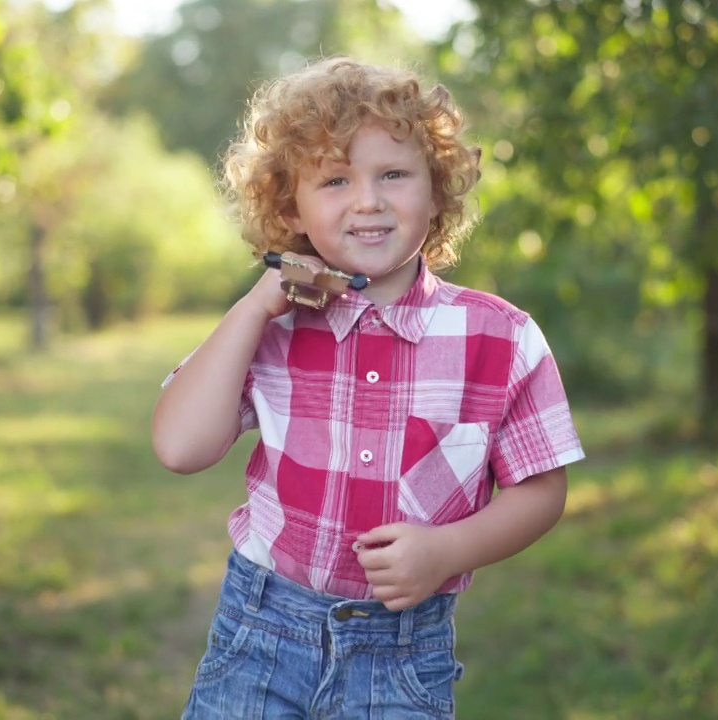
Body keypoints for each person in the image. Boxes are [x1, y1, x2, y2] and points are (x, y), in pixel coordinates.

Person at [152, 56, 585, 719]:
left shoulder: (500, 337)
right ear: (289, 204)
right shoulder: (272, 326)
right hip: (261, 634)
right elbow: (181, 447)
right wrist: (252, 308)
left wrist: (449, 550)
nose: (368, 201)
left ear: (436, 190)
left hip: (402, 656)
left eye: (393, 174)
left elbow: (542, 489)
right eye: (333, 179)